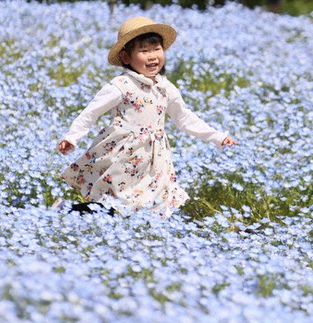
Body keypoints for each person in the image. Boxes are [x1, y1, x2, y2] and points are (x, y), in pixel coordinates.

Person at [55, 16, 237, 218]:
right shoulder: (121, 85)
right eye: (144, 51)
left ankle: (142, 237)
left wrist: (217, 137)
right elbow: (92, 111)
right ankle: (67, 210)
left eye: (156, 49)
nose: (152, 56)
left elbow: (184, 118)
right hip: (124, 156)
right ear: (126, 57)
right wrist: (72, 137)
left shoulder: (165, 87)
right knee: (118, 204)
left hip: (154, 159)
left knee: (155, 204)